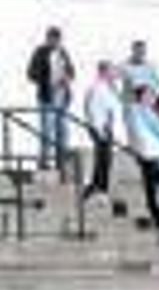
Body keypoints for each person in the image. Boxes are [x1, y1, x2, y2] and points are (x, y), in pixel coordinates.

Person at [123, 84, 159, 241]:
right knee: (156, 186)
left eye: (153, 95)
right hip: (150, 154)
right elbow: (155, 132)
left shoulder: (145, 112)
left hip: (153, 154)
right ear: (142, 96)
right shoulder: (137, 110)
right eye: (150, 95)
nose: (153, 98)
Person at [26, 26, 74, 171]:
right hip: (47, 96)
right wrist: (47, 79)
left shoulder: (63, 52)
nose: (55, 42)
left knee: (63, 130)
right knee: (47, 130)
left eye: (58, 39)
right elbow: (31, 73)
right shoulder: (40, 52)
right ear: (47, 38)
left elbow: (72, 71)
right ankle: (44, 161)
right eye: (52, 38)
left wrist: (67, 77)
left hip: (62, 97)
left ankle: (61, 160)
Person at [81, 61, 119, 204]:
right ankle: (99, 189)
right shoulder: (96, 88)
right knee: (104, 159)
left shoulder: (108, 88)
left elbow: (113, 108)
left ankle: (96, 188)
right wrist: (99, 129)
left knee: (105, 160)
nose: (114, 74)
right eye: (111, 71)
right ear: (103, 72)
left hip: (106, 128)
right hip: (100, 128)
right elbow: (92, 110)